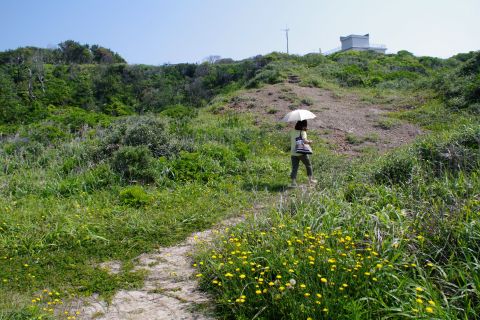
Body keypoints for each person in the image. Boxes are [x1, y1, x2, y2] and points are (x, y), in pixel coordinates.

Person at [290, 120, 317, 187]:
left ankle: (293, 182)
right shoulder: (303, 132)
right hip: (301, 152)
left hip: (293, 153)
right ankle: (310, 180)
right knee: (308, 165)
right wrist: (310, 141)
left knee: (294, 167)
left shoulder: (292, 132)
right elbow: (304, 141)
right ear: (304, 125)